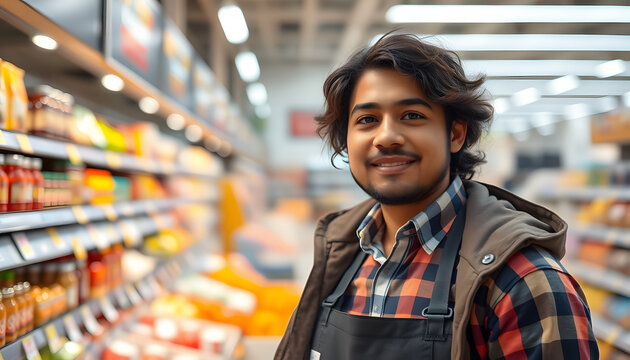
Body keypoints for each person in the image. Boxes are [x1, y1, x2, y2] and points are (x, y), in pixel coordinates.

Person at [275, 33, 599, 359]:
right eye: (367, 120)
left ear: (455, 134)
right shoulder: (339, 257)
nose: (386, 137)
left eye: (412, 115)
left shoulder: (524, 283)